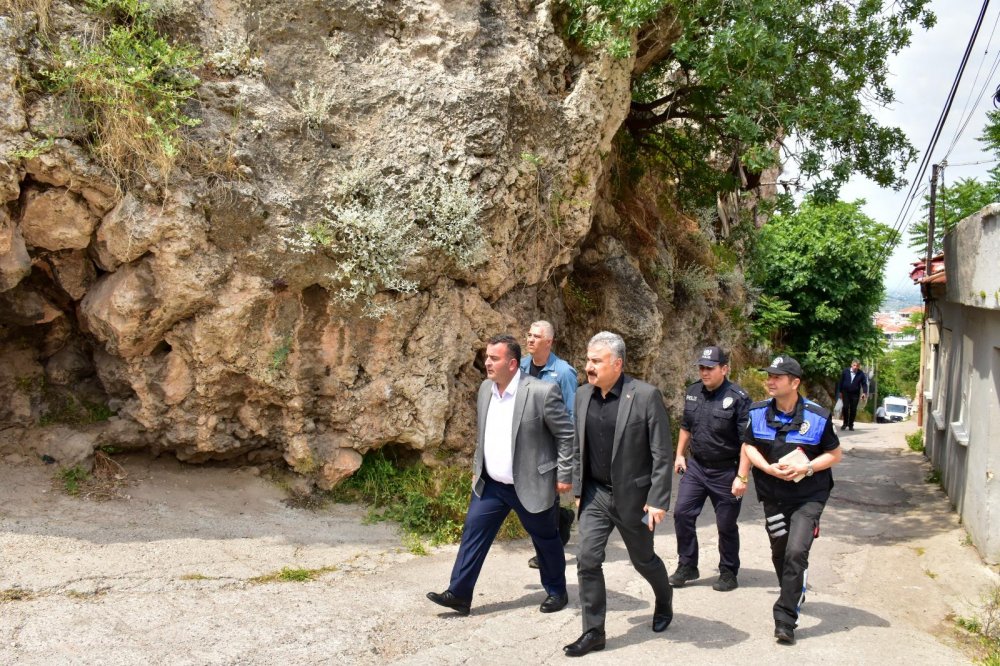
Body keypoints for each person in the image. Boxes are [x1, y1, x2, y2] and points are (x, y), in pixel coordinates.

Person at [427, 334, 575, 616]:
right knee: (473, 533)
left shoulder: (542, 392)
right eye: (487, 357)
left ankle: (557, 591)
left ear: (512, 363)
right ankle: (459, 594)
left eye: (494, 358)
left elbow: (566, 435)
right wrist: (477, 469)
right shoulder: (486, 389)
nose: (487, 362)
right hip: (492, 484)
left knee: (545, 540)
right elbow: (483, 434)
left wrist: (564, 474)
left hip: (530, 483)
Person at [564, 332, 674, 657]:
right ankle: (594, 631)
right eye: (588, 360)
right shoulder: (582, 395)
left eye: (596, 361)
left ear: (617, 364)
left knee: (643, 560)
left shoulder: (645, 396)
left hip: (634, 498)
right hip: (596, 493)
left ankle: (664, 598)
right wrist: (578, 488)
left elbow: (661, 453)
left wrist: (657, 500)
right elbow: (577, 445)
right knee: (587, 559)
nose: (589, 366)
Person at [742, 355, 843, 645]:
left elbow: (834, 454)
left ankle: (785, 619)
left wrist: (806, 467)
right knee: (780, 553)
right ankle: (794, 587)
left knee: (796, 552)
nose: (770, 381)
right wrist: (764, 469)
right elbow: (748, 445)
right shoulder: (757, 412)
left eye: (777, 377)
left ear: (794, 382)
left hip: (808, 496)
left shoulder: (817, 416)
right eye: (769, 376)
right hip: (773, 495)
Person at [669, 346, 752, 592]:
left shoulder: (738, 398)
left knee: (726, 524)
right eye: (702, 368)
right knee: (682, 513)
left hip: (726, 470)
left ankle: (728, 571)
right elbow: (686, 426)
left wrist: (742, 476)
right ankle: (687, 565)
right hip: (696, 467)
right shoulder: (693, 391)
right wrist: (679, 455)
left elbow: (747, 442)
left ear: (724, 369)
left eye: (710, 368)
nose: (704, 372)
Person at [521, 320, 578, 569]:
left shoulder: (564, 372)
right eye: (529, 335)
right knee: (530, 498)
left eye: (536, 336)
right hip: (528, 446)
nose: (530, 339)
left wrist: (567, 456)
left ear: (549, 341)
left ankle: (546, 553)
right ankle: (563, 519)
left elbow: (571, 415)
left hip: (552, 447)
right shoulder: (521, 366)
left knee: (545, 499)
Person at [836, 359, 868, 431]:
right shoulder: (845, 371)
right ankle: (845, 424)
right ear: (851, 365)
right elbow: (841, 381)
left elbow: (864, 384)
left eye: (857, 366)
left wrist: (864, 393)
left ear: (859, 366)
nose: (855, 367)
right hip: (845, 392)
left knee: (853, 409)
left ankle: (851, 425)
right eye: (854, 365)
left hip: (855, 394)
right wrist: (840, 392)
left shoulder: (861, 374)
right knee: (845, 407)